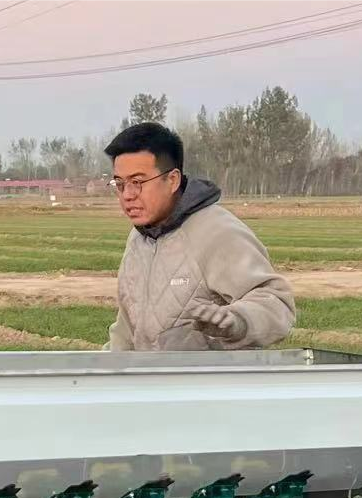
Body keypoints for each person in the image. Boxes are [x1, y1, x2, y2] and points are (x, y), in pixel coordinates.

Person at [103, 122, 295, 351]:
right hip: (155, 384)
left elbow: (276, 304)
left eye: (137, 182)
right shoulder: (138, 239)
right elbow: (127, 328)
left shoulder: (218, 232)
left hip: (211, 384)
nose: (127, 195)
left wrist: (238, 322)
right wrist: (106, 373)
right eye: (120, 184)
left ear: (172, 180)